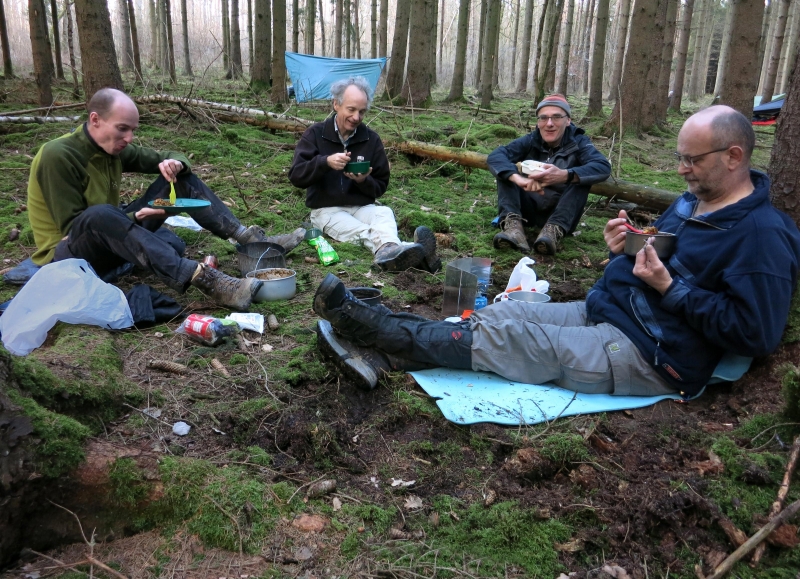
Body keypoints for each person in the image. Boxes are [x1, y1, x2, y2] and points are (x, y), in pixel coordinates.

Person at [312, 105, 800, 394]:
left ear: (734, 156)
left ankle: (375, 328)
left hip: (649, 352)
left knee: (507, 340)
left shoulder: (762, 236)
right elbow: (663, 256)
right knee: (499, 315)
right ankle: (386, 358)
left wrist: (668, 286)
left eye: (691, 160)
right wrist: (626, 250)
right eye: (679, 158)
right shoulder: (693, 202)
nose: (680, 170)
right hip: (605, 310)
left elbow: (755, 333)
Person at [26, 88, 305, 311]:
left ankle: (250, 240)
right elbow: (73, 228)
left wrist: (176, 164)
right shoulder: (59, 155)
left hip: (110, 233)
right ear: (95, 119)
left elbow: (171, 155)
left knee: (178, 180)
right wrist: (135, 217)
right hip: (66, 259)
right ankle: (208, 281)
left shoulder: (112, 148)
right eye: (122, 128)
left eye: (133, 130)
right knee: (100, 214)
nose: (129, 138)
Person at [288, 76, 440, 273]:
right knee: (363, 232)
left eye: (362, 111)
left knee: (384, 213)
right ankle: (411, 252)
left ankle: (397, 253)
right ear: (336, 104)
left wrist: (363, 180)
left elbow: (380, 185)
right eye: (351, 110)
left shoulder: (371, 139)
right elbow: (296, 176)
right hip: (326, 210)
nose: (356, 117)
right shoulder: (315, 134)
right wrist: (325, 162)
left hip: (362, 207)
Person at [488, 93, 612, 255]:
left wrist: (565, 175)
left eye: (556, 117)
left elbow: (602, 166)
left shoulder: (579, 141)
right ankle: (513, 227)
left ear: (568, 120)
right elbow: (496, 156)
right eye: (543, 118)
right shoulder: (532, 139)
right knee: (506, 170)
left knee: (580, 178)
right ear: (538, 122)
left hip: (561, 213)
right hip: (527, 211)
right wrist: (518, 179)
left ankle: (553, 231)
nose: (549, 124)